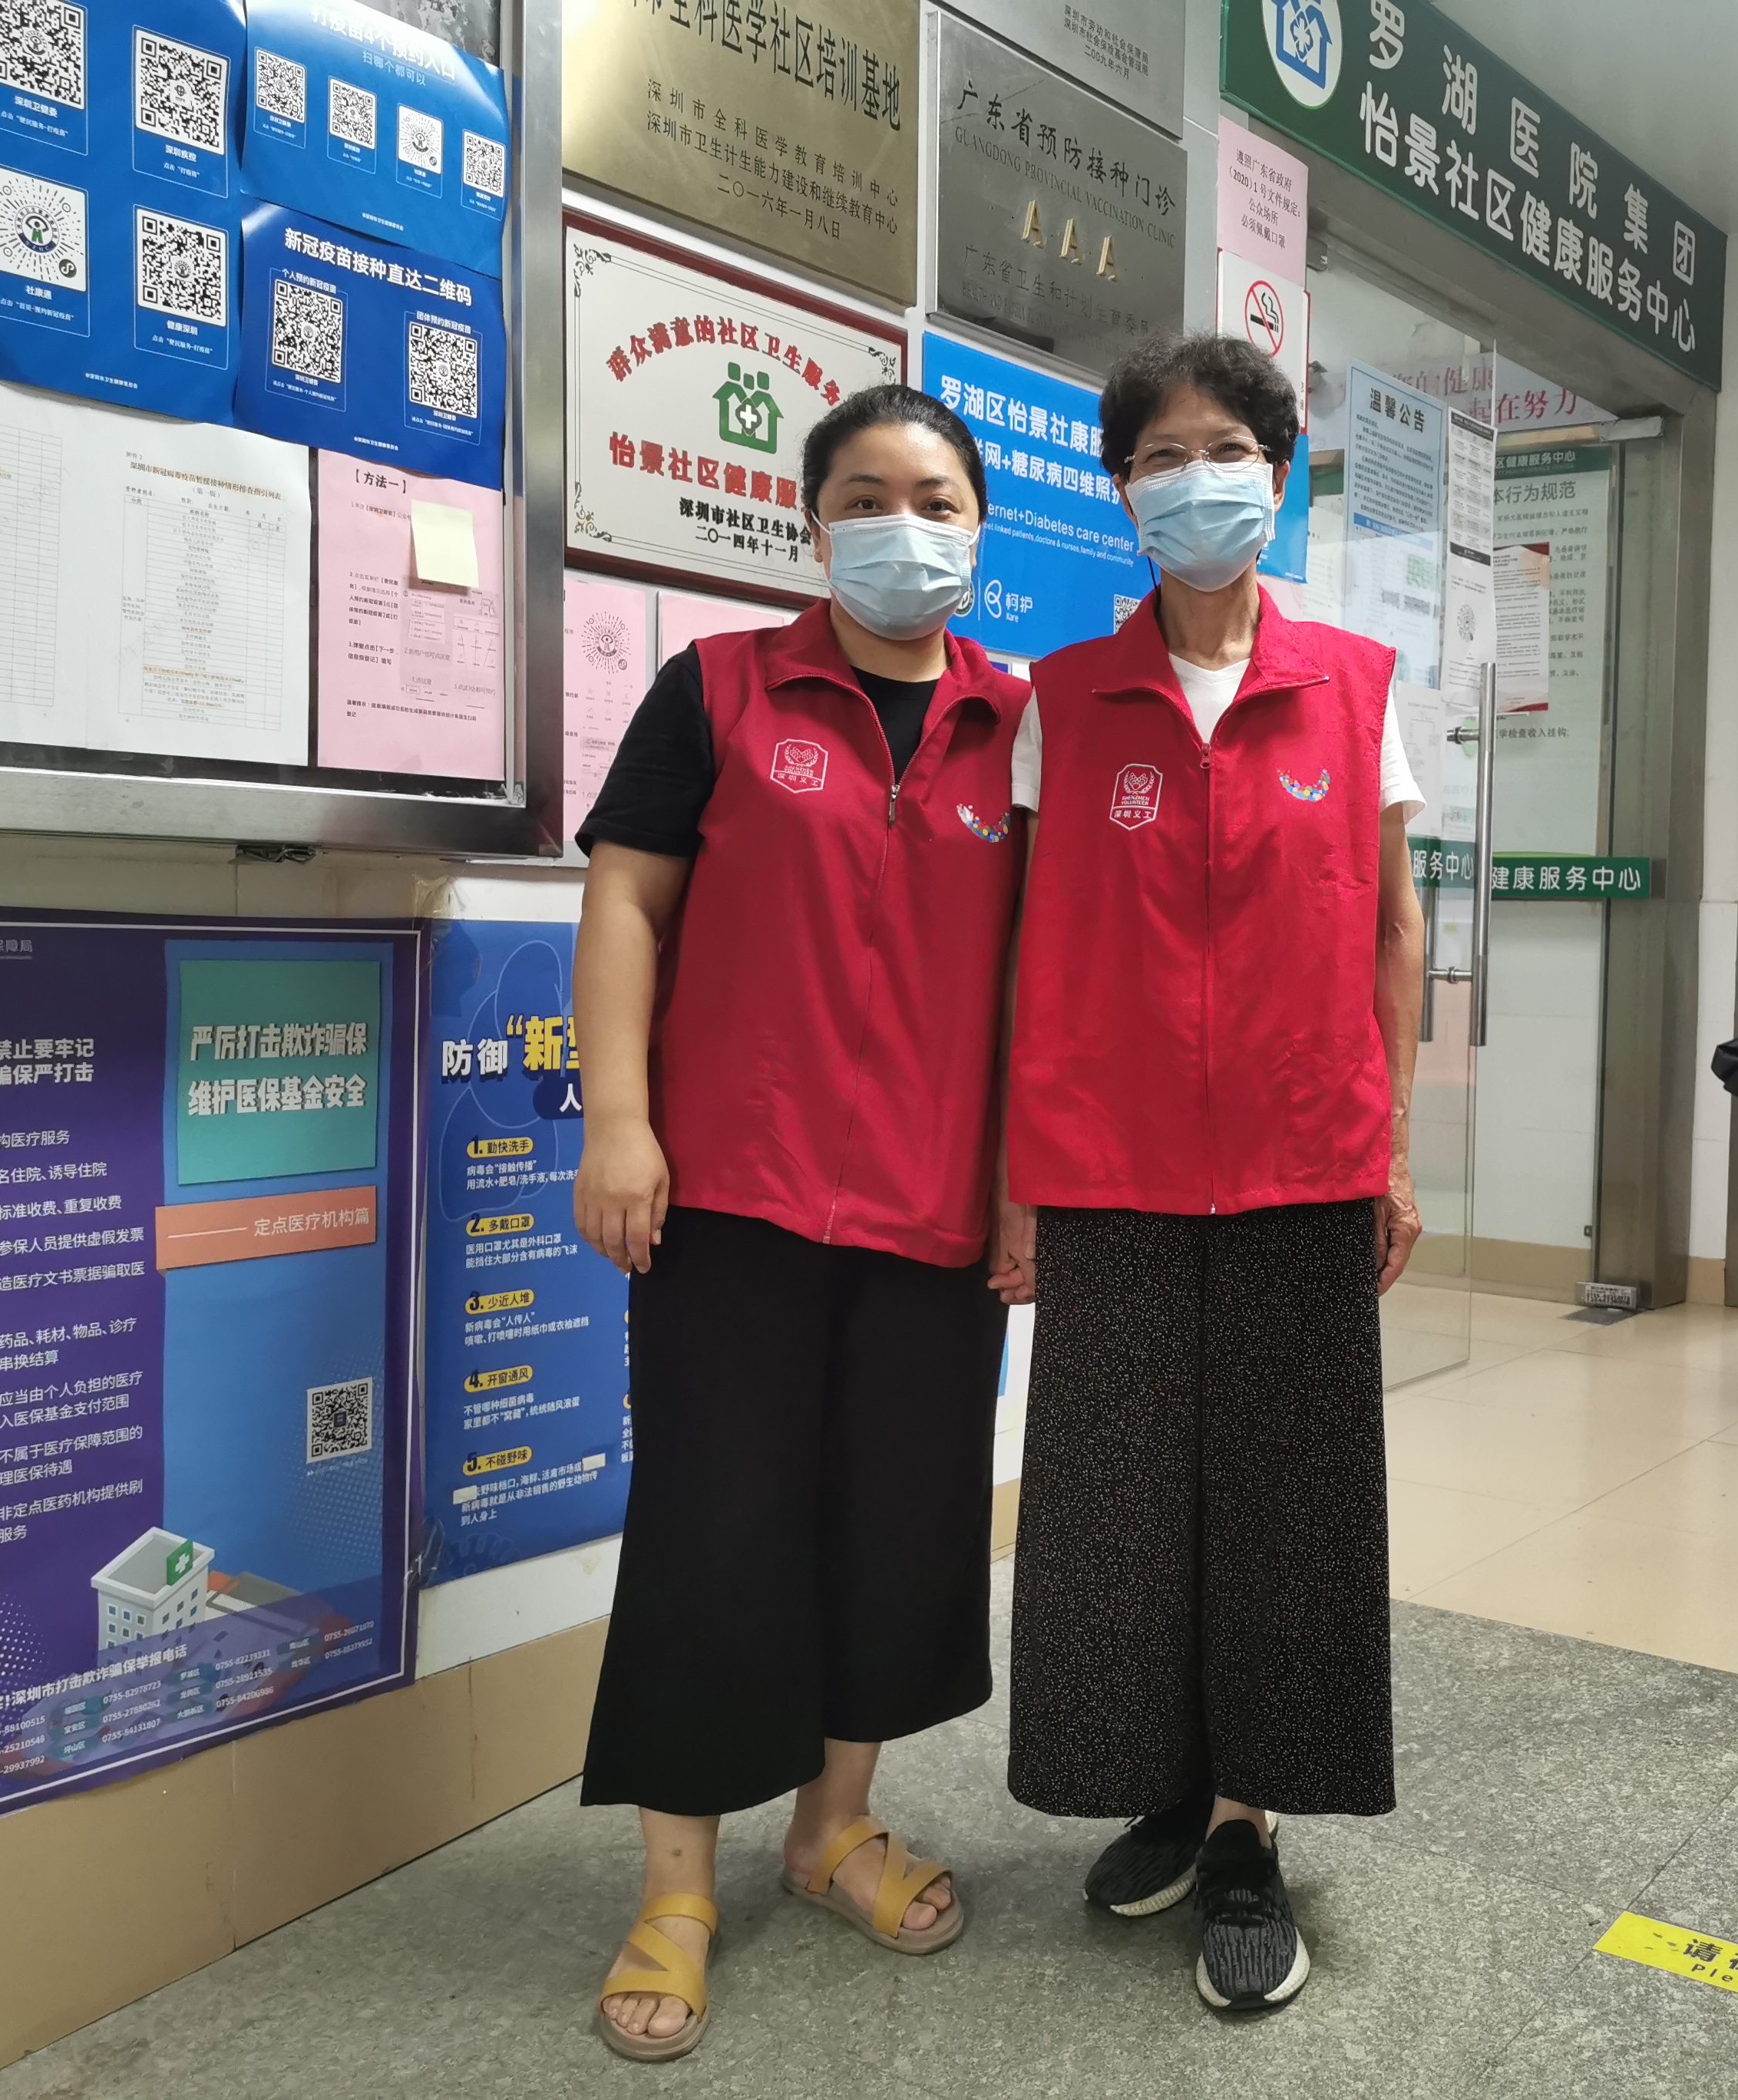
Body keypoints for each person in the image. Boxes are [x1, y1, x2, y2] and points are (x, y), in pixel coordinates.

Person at [570, 385, 1027, 2061]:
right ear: (812, 522)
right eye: (865, 495)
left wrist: (1027, 1185)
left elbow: (1050, 980)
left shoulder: (1020, 729)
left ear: (979, 526)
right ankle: (675, 1890)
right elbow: (627, 895)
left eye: (935, 497)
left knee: (897, 1528)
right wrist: (620, 1120)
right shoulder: (719, 689)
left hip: (935, 1206)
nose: (904, 524)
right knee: (715, 1527)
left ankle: (832, 1829)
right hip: (731, 1193)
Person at [995, 334, 1428, 2015]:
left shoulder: (1356, 687)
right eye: (1161, 458)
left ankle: (1249, 1828)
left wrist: (1390, 1146)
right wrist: (1019, 1179)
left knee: (1285, 1501)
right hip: (1109, 1163)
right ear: (1122, 491)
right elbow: (1028, 947)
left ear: (1280, 472)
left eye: (1226, 450)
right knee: (1116, 1498)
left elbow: (1392, 931)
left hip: (1303, 1157)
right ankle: (1166, 1787)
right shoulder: (1060, 702)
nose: (1196, 482)